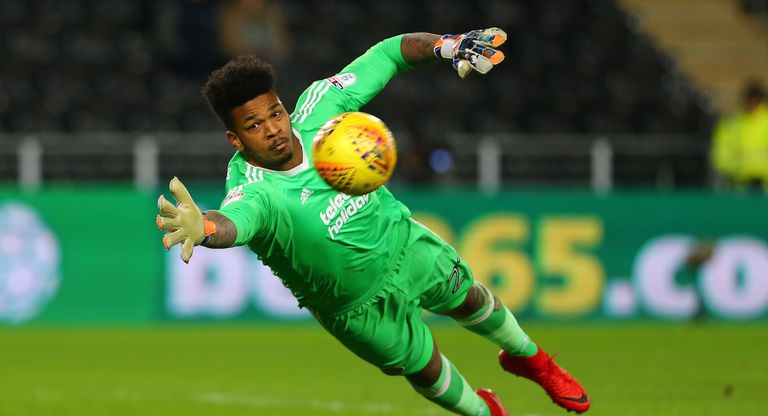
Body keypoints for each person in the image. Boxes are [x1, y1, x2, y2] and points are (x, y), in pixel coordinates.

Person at [155, 28, 590, 416]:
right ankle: (484, 412)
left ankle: (533, 361)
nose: (272, 129)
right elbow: (234, 221)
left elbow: (388, 54)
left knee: (471, 299)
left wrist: (446, 46)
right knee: (424, 368)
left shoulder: (320, 111)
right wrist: (205, 229)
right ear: (236, 139)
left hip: (403, 244)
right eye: (254, 125)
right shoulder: (254, 189)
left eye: (275, 113)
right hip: (354, 307)